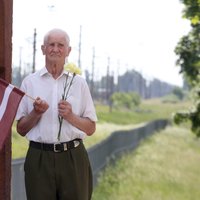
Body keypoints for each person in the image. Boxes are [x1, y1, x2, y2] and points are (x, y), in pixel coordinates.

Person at [16, 28, 97, 200]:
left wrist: (71, 117)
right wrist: (36, 113)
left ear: (68, 50)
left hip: (73, 157)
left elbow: (91, 128)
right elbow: (21, 129)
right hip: (39, 158)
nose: (55, 48)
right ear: (43, 49)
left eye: (61, 45)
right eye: (51, 44)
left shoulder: (79, 84)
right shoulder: (29, 82)